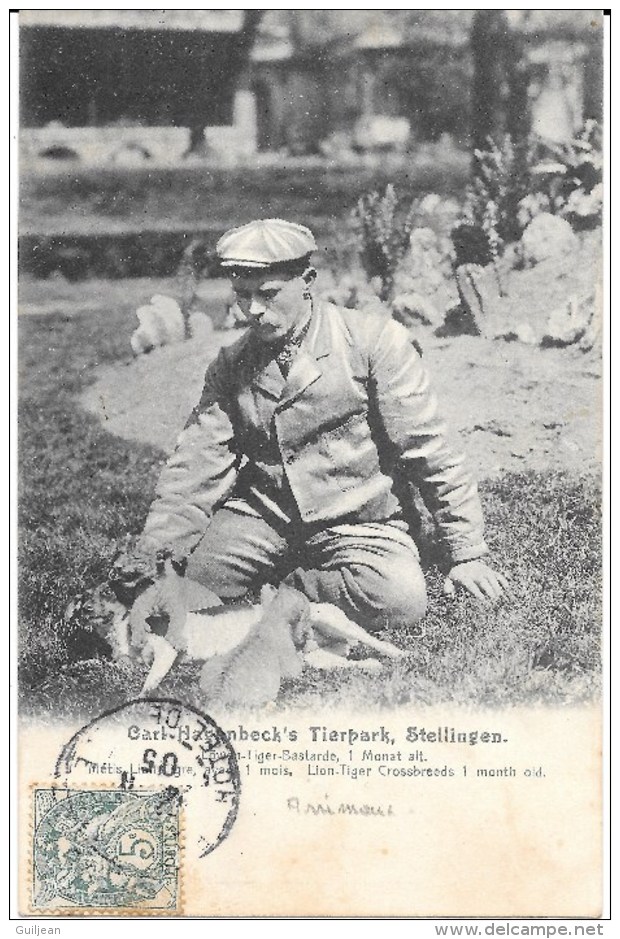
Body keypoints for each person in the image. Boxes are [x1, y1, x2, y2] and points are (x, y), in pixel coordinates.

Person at [129, 218, 507, 633]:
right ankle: (277, 596)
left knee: (400, 599)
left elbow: (429, 449)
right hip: (264, 516)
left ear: (307, 281)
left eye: (269, 294)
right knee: (191, 591)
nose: (253, 310)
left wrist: (466, 553)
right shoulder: (230, 364)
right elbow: (196, 466)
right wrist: (155, 551)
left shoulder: (373, 341)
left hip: (361, 520)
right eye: (242, 295)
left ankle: (280, 592)